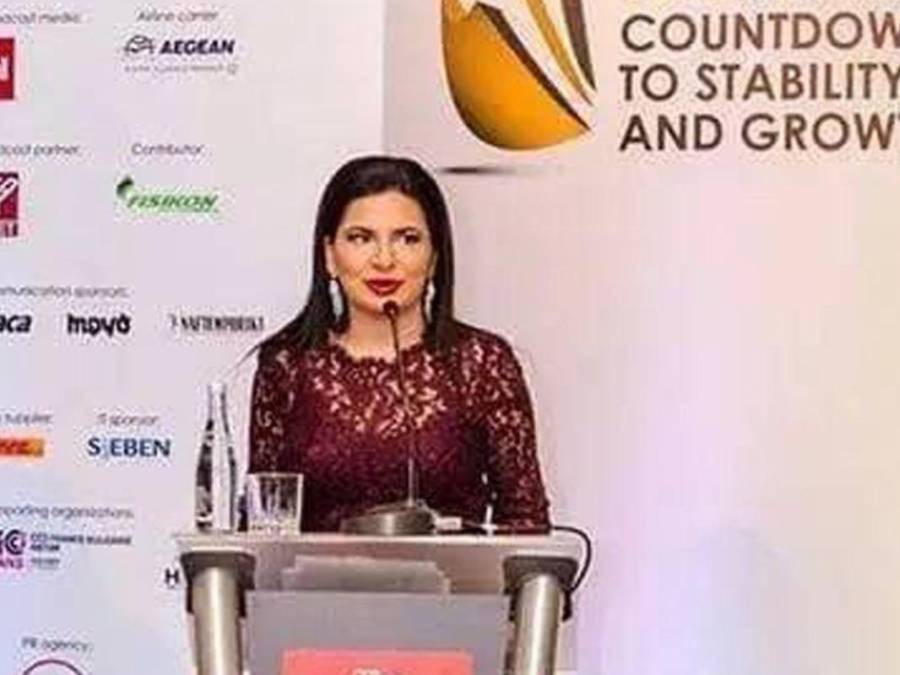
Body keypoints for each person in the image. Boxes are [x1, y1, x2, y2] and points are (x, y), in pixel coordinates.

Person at [248, 155, 550, 532]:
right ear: (329, 255)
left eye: (407, 238)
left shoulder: (482, 363)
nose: (384, 260)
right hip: (311, 573)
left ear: (434, 256)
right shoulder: (287, 365)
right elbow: (261, 528)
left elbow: (526, 524)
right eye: (361, 238)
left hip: (454, 572)